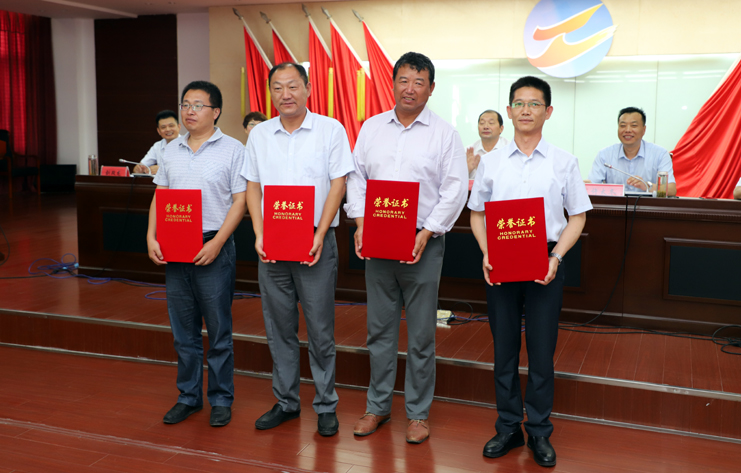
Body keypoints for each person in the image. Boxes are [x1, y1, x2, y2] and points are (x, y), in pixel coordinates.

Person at [344, 52, 468, 444]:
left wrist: (427, 232)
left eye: (418, 82)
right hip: (378, 240)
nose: (409, 89)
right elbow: (356, 177)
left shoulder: (444, 134)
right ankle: (377, 407)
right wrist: (361, 222)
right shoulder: (371, 128)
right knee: (379, 330)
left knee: (420, 334)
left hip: (422, 243)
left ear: (431, 88)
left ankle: (417, 413)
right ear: (393, 83)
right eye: (403, 80)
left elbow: (455, 189)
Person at [468, 76, 592, 467]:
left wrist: (556, 257)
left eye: (534, 104)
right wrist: (487, 252)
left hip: (545, 262)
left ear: (548, 112)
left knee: (541, 351)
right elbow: (476, 213)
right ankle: (508, 427)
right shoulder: (490, 162)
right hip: (501, 261)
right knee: (504, 348)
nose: (526, 110)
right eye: (519, 103)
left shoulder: (564, 161)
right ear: (509, 111)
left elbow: (578, 216)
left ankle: (539, 430)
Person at [243, 62, 354, 437]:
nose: (285, 94)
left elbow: (338, 184)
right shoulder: (260, 135)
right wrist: (259, 233)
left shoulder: (330, 130)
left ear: (308, 88)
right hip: (272, 243)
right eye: (277, 88)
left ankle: (326, 404)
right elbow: (253, 186)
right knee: (279, 327)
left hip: (314, 242)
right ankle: (287, 402)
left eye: (292, 86)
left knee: (320, 329)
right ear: (270, 93)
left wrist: (321, 233)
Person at [146, 81, 246, 427]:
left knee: (218, 330)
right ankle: (188, 397)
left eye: (198, 105)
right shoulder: (170, 150)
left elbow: (240, 201)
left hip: (213, 245)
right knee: (183, 331)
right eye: (185, 104)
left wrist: (217, 243)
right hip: (175, 247)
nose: (189, 111)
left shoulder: (233, 149)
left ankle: (221, 398)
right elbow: (160, 196)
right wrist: (151, 236)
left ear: (215, 112)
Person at [586, 107, 677, 196]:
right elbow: (591, 186)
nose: (627, 130)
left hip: (648, 205)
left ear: (644, 130)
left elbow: (671, 190)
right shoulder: (604, 155)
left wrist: (646, 185)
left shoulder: (660, 154)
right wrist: (583, 186)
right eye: (623, 126)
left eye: (634, 126)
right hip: (615, 205)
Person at [133, 110, 181, 174]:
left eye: (171, 126)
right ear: (158, 131)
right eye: (163, 127)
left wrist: (162, 170)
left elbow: (189, 169)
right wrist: (138, 169)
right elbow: (142, 166)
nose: (167, 129)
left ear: (179, 127)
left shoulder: (188, 143)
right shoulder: (157, 146)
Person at [466, 110, 509, 179]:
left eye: (491, 123)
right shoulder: (468, 152)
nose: (485, 127)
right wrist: (466, 170)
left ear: (501, 129)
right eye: (482, 123)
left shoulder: (510, 149)